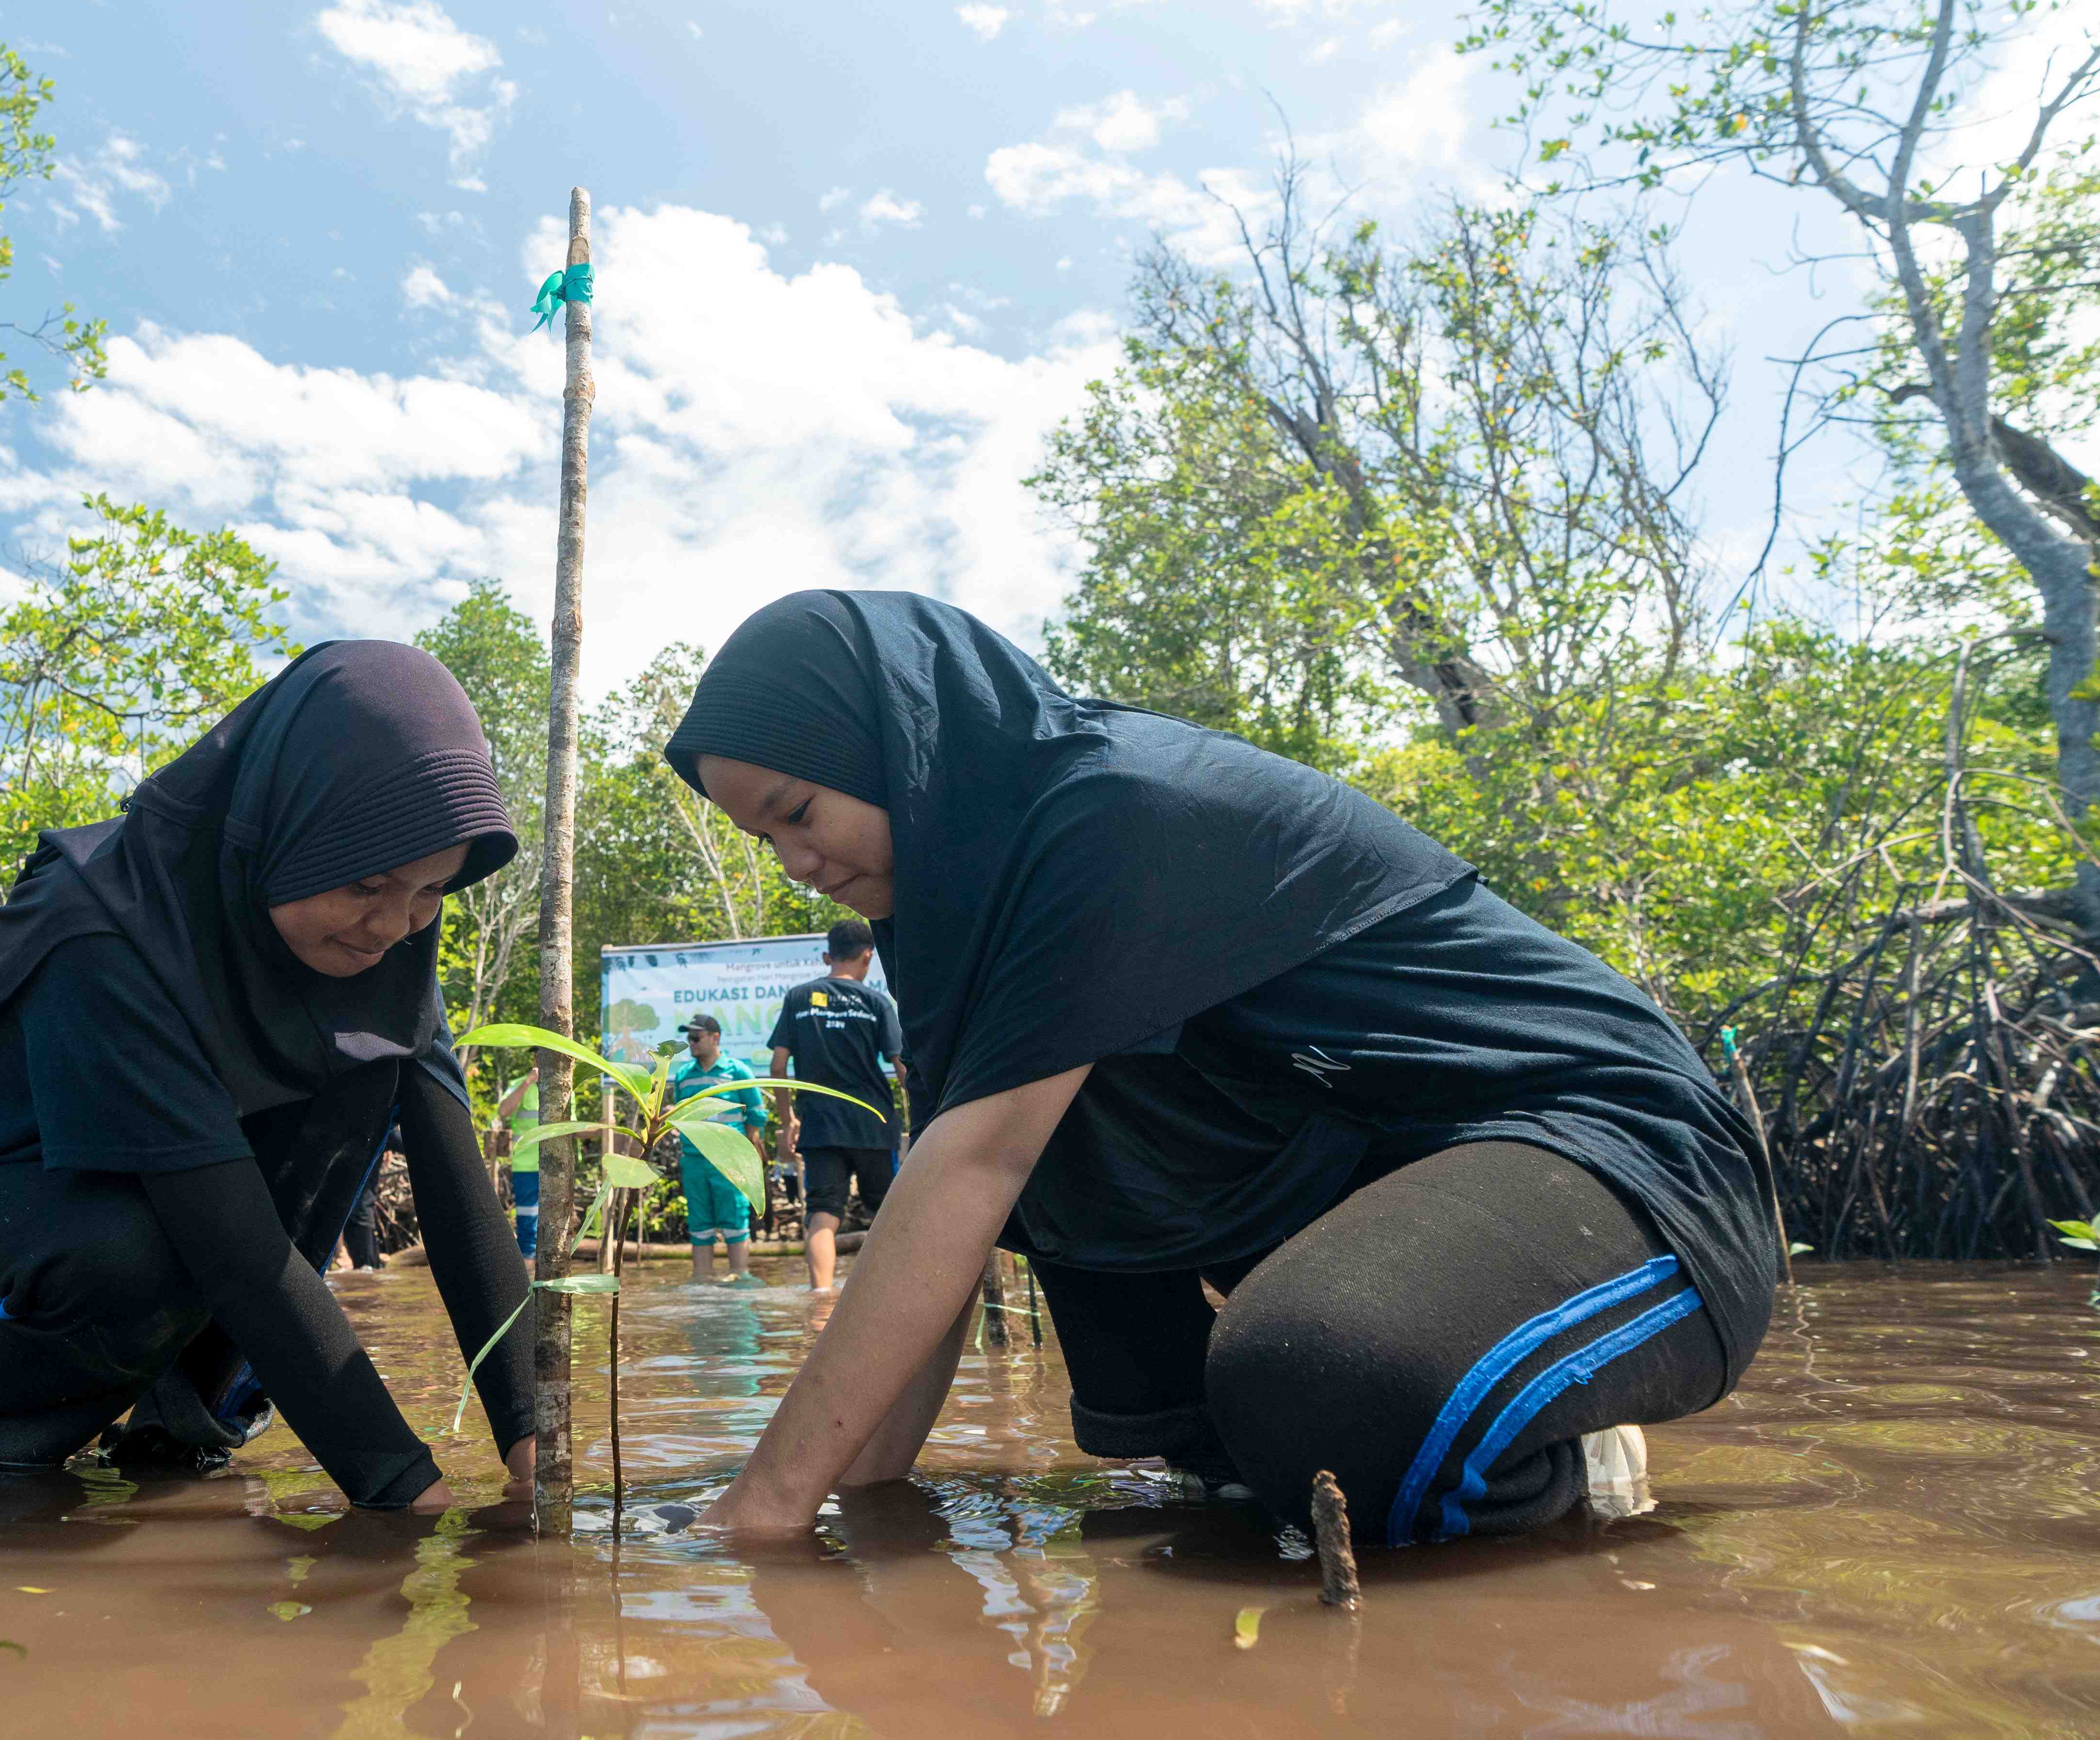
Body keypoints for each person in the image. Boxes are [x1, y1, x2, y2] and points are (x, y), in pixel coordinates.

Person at [663, 591, 1777, 1545]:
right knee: (1232, 1463)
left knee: (1318, 1388)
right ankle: (1353, 1430)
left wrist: (756, 1512)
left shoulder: (1104, 812)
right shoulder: (957, 912)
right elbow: (938, 1234)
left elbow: (972, 1167)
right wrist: (851, 1500)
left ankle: (1553, 1453)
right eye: (767, 843)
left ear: (892, 742)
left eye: (798, 812)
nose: (797, 865)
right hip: (1393, 1183)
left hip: (1627, 1166)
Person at [0, 641, 538, 1512]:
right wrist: (410, 1501)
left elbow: (456, 1190)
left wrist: (535, 1446)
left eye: (431, 889)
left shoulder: (388, 943)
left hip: (124, 1217)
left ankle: (176, 1433)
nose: (394, 924)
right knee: (141, 1254)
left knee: (357, 1084)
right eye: (365, 882)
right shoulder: (100, 922)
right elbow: (234, 1248)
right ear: (281, 827)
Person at [768, 918, 905, 1290]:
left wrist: (788, 1119)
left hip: (820, 1126)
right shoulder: (876, 1001)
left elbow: (778, 1066)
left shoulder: (798, 998)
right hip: (874, 1125)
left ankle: (821, 1299)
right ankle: (888, 1296)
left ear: (829, 956)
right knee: (886, 1216)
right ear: (867, 956)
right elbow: (902, 1066)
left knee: (822, 1216)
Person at [664, 1014, 769, 1283]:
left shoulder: (737, 1072)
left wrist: (750, 1145)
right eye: (689, 1038)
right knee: (699, 1221)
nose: (692, 1043)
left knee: (735, 1214)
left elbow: (757, 1112)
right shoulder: (684, 1075)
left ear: (715, 1038)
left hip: (729, 1161)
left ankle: (741, 1277)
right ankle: (701, 1279)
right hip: (694, 1160)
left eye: (696, 1038)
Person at [493, 1068, 541, 1259]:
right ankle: (527, 1270)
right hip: (526, 1164)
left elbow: (575, 1128)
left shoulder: (564, 1085)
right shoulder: (521, 1083)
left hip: (555, 1167)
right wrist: (528, 1082)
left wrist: (601, 1127)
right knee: (528, 1221)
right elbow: (503, 1111)